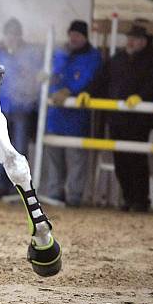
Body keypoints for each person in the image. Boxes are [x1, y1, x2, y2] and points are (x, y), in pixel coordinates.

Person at [89, 23, 153, 212]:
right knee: (120, 160)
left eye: (135, 39)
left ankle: (140, 200)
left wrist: (142, 97)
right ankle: (128, 197)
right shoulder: (118, 59)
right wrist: (87, 94)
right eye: (129, 38)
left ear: (144, 41)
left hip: (139, 120)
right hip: (116, 118)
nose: (130, 42)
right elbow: (101, 80)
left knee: (137, 159)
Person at [44, 20, 103, 207]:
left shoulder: (93, 57)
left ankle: (74, 196)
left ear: (85, 37)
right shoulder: (60, 53)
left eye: (78, 35)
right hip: (55, 115)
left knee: (76, 156)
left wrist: (70, 90)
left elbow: (89, 78)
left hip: (76, 117)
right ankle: (55, 192)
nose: (74, 38)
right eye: (72, 34)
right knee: (54, 156)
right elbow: (51, 73)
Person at [0, 18, 42, 198]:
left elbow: (33, 79)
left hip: (22, 108)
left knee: (19, 149)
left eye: (15, 34)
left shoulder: (29, 54)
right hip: (1, 108)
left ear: (19, 36)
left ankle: (19, 186)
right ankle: (2, 184)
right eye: (9, 34)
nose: (11, 37)